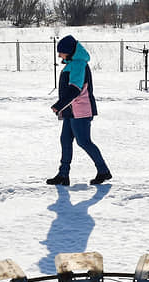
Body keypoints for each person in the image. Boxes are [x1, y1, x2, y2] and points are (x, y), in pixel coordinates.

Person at [47, 35, 112, 187]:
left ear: (69, 51)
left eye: (61, 52)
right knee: (65, 140)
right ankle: (63, 175)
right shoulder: (72, 63)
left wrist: (59, 105)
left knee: (84, 142)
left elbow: (75, 89)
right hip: (71, 111)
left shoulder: (78, 64)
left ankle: (103, 171)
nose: (59, 55)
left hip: (81, 111)